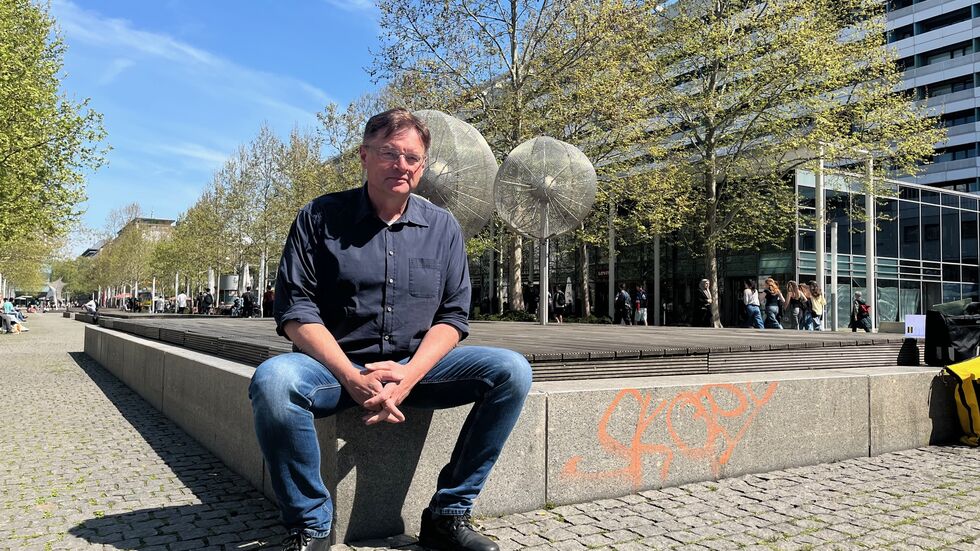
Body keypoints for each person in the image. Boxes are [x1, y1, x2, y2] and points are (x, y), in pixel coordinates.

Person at [248, 109, 532, 551]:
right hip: (333, 368)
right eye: (390, 153)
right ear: (364, 156)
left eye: (412, 158)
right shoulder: (319, 218)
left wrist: (410, 376)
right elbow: (295, 310)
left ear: (423, 165)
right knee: (275, 381)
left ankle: (448, 514)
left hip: (415, 368)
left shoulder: (443, 227)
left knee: (512, 370)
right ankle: (311, 524)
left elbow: (453, 318)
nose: (402, 166)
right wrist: (350, 376)